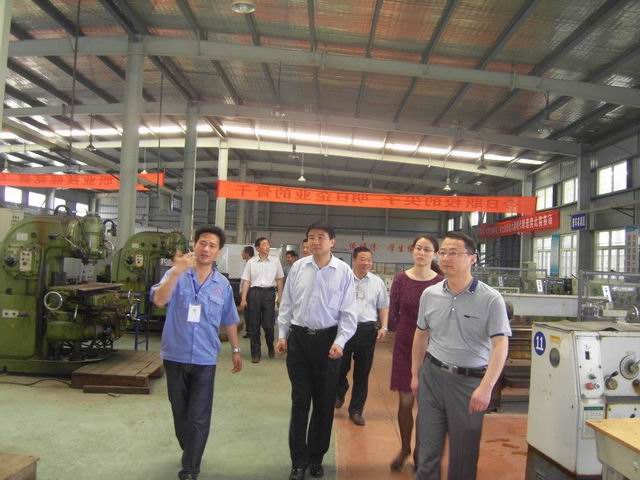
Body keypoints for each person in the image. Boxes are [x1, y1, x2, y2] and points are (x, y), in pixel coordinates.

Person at [411, 232, 510, 480]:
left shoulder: (491, 299)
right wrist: (415, 374)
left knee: (464, 455)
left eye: (454, 253)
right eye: (443, 252)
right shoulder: (430, 294)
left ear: (472, 258)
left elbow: (500, 345)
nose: (446, 258)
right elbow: (421, 335)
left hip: (469, 383)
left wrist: (486, 387)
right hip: (432, 376)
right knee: (427, 450)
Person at [150, 225, 242, 480]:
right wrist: (176, 272)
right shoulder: (176, 274)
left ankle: (190, 469)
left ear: (218, 252)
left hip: (205, 358)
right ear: (194, 244)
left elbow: (230, 319)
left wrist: (236, 349)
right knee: (180, 413)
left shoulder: (222, 285)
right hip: (175, 355)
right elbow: (159, 300)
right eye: (203, 243)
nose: (206, 249)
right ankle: (190, 448)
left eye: (212, 245)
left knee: (199, 416)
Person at [277, 223, 358, 480]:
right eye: (311, 237)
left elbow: (349, 312)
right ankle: (297, 462)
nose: (315, 242)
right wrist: (282, 335)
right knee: (300, 402)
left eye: (321, 237)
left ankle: (316, 458)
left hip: (328, 344)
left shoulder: (343, 272)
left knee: (324, 404)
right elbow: (287, 304)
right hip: (299, 341)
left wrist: (341, 341)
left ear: (332, 242)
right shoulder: (298, 268)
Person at [389, 235, 443, 472]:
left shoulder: (441, 282)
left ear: (435, 254)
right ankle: (404, 448)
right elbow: (393, 313)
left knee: (427, 405)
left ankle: (422, 452)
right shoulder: (401, 279)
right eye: (418, 248)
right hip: (405, 344)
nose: (421, 253)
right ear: (412, 250)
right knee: (405, 401)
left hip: (433, 347)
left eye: (427, 249)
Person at [335, 246, 389, 426]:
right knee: (339, 367)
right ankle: (340, 388)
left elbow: (383, 306)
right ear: (354, 260)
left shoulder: (377, 282)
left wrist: (384, 326)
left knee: (362, 372)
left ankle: (356, 410)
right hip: (344, 329)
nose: (366, 263)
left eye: (369, 260)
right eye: (363, 259)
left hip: (367, 330)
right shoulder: (343, 279)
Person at [240, 237, 285, 363]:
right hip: (254, 293)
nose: (267, 246)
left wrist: (280, 297)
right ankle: (256, 353)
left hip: (269, 294)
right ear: (258, 248)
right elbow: (246, 281)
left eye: (268, 244)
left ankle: (270, 346)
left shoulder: (275, 261)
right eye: (264, 244)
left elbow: (280, 280)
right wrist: (243, 298)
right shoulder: (251, 262)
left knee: (268, 325)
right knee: (254, 325)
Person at [240, 246, 254, 338]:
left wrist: (244, 293)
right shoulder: (248, 263)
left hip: (250, 291)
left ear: (247, 253)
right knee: (247, 312)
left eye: (243, 252)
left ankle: (250, 331)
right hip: (247, 291)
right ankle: (249, 330)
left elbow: (248, 280)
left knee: (249, 312)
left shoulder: (251, 263)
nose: (241, 254)